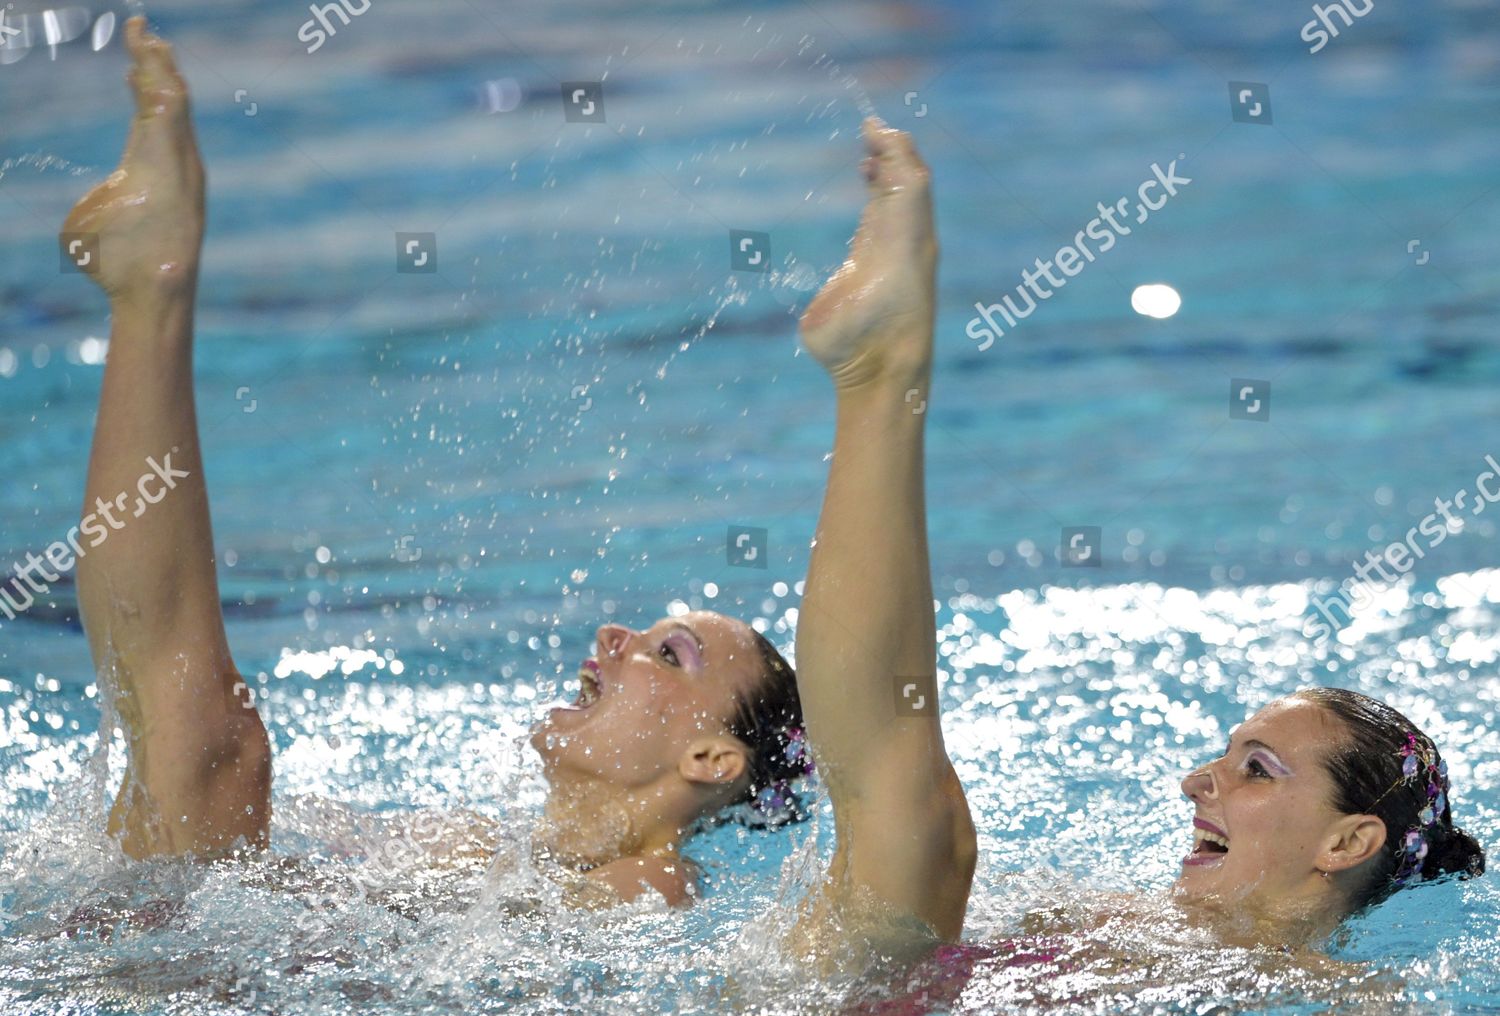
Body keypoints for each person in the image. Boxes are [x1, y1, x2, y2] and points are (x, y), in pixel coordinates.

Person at [64, 17, 806, 909]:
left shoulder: (655, 882)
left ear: (710, 759)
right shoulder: (479, 847)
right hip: (174, 944)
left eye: (669, 654)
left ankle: (153, 286)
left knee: (221, 758)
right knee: (212, 764)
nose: (616, 634)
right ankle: (149, 288)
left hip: (206, 969)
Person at [786, 118, 1485, 966]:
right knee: (911, 830)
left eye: (1257, 769)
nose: (1196, 781)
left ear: (1346, 842)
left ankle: (881, 380)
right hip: (849, 1009)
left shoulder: (1335, 1004)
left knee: (919, 830)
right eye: (1232, 759)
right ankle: (878, 381)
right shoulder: (1115, 923)